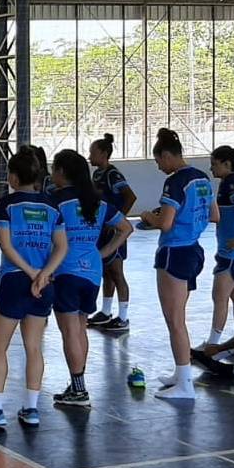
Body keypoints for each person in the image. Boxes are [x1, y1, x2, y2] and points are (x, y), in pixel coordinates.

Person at [0, 146, 68, 428]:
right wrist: (43, 274)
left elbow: (6, 246)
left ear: (12, 177)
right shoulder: (51, 207)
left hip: (14, 280)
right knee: (34, 348)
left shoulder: (7, 205)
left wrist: (31, 272)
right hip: (44, 285)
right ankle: (31, 409)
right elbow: (62, 247)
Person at [137, 129, 218, 401]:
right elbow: (214, 215)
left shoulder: (175, 182)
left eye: (159, 160)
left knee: (175, 320)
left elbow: (166, 223)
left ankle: (185, 384)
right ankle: (180, 372)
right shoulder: (202, 179)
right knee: (178, 317)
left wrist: (150, 215)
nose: (159, 166)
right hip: (194, 250)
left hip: (174, 252)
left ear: (168, 155)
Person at [49, 150, 133, 405]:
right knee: (80, 328)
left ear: (62, 172)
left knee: (70, 331)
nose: (52, 174)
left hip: (66, 271)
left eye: (54, 168)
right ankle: (77, 385)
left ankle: (79, 389)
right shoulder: (99, 201)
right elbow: (126, 228)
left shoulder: (56, 201)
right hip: (92, 273)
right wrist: (102, 253)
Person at [198, 145, 234, 359]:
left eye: (214, 164)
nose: (211, 168)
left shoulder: (232, 183)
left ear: (226, 164)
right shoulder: (229, 182)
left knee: (219, 296)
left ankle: (213, 345)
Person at [86, 134, 138, 332]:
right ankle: (106, 312)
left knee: (117, 273)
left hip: (113, 231)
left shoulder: (112, 175)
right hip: (102, 231)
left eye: (93, 152)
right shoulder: (97, 174)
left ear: (104, 154)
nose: (90, 156)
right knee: (106, 272)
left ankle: (123, 317)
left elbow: (130, 197)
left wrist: (119, 220)